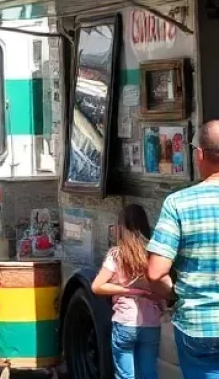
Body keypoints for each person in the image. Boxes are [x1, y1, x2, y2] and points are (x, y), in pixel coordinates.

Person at [147, 118, 219, 379]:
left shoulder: (178, 204)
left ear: (199, 155)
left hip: (198, 325)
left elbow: (155, 274)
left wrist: (175, 295)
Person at [93, 205, 165, 379]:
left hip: (125, 322)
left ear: (121, 227)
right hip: (151, 323)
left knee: (125, 375)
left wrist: (130, 290)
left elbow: (97, 286)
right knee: (149, 373)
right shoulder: (154, 255)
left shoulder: (117, 254)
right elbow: (163, 288)